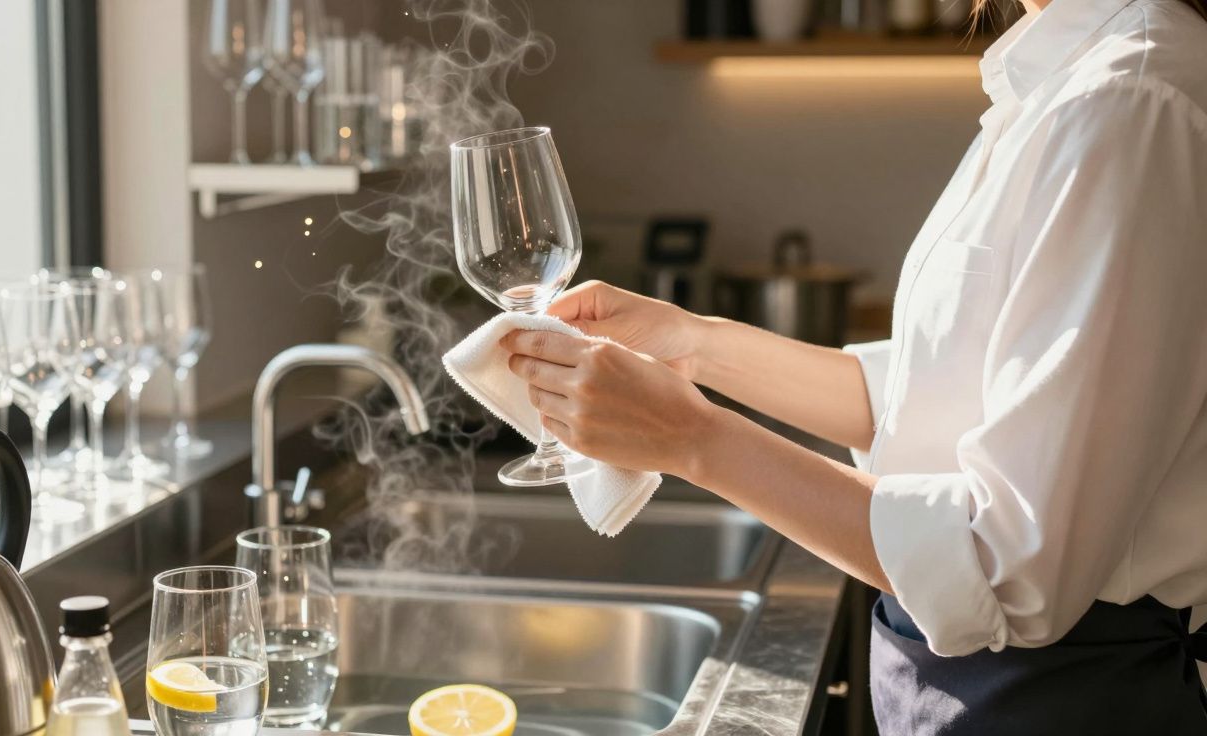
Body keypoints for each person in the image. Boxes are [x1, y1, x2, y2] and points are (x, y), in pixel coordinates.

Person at [499, 0, 1207, 731]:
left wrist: (691, 438)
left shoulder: (1128, 101)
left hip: (1063, 703)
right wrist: (690, 341)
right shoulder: (1065, 80)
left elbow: (1010, 567)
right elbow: (923, 399)